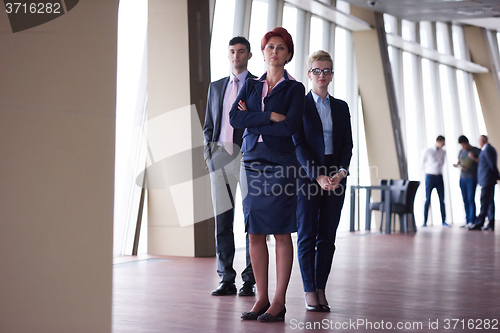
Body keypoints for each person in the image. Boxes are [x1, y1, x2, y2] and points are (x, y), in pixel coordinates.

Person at [229, 27, 305, 322]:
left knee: (281, 232)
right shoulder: (250, 84)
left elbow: (290, 128)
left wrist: (254, 120)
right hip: (251, 163)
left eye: (281, 48)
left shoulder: (294, 89)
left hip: (280, 165)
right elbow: (236, 118)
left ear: (288, 55)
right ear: (262, 53)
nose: (275, 52)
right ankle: (261, 298)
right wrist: (270, 116)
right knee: (254, 233)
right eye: (270, 47)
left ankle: (279, 301)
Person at [293, 50, 353, 312]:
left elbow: (347, 146)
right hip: (309, 176)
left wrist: (340, 173)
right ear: (309, 74)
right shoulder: (300, 106)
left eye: (327, 70)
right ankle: (309, 290)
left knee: (327, 236)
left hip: (335, 175)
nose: (322, 75)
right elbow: (298, 144)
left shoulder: (341, 107)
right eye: (317, 70)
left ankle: (320, 288)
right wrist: (316, 175)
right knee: (307, 235)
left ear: (331, 74)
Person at [203, 36, 256, 297]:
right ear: (228, 55)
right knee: (222, 223)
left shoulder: (258, 86)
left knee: (251, 223)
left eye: (241, 51)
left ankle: (250, 279)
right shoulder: (216, 87)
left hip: (248, 160)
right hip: (220, 159)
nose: (236, 56)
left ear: (249, 55)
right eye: (232, 52)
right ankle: (226, 278)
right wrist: (209, 157)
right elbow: (208, 127)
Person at [468, 135, 500, 231]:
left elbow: (492, 165)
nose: (478, 142)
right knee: (489, 201)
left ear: (482, 141)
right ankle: (490, 223)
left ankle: (480, 223)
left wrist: (497, 176)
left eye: (479, 140)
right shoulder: (486, 149)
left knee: (484, 201)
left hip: (487, 179)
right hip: (487, 179)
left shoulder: (488, 149)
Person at [453, 135, 481, 228]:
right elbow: (459, 161)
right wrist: (458, 164)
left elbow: (482, 162)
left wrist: (473, 158)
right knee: (465, 199)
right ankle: (468, 220)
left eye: (464, 144)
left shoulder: (476, 151)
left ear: (467, 142)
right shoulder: (461, 151)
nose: (463, 147)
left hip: (472, 177)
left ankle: (473, 220)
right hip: (462, 178)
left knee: (470, 199)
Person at [422, 135, 449, 227]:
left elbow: (442, 163)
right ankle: (424, 221)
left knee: (442, 199)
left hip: (439, 176)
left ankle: (443, 220)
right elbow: (422, 163)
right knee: (427, 199)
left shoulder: (443, 152)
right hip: (430, 176)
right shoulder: (428, 150)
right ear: (438, 141)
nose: (443, 145)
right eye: (443, 143)